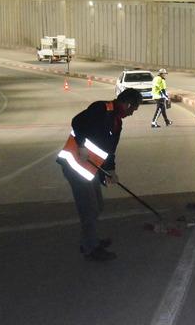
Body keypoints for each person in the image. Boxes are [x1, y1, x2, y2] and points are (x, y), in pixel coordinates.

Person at [56, 88, 142, 262]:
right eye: (133, 109)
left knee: (98, 206)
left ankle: (88, 240)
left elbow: (110, 151)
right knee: (89, 209)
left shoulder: (117, 123)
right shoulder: (101, 108)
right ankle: (91, 248)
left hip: (89, 169)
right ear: (127, 104)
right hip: (75, 164)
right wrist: (80, 145)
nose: (132, 113)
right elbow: (77, 122)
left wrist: (111, 171)